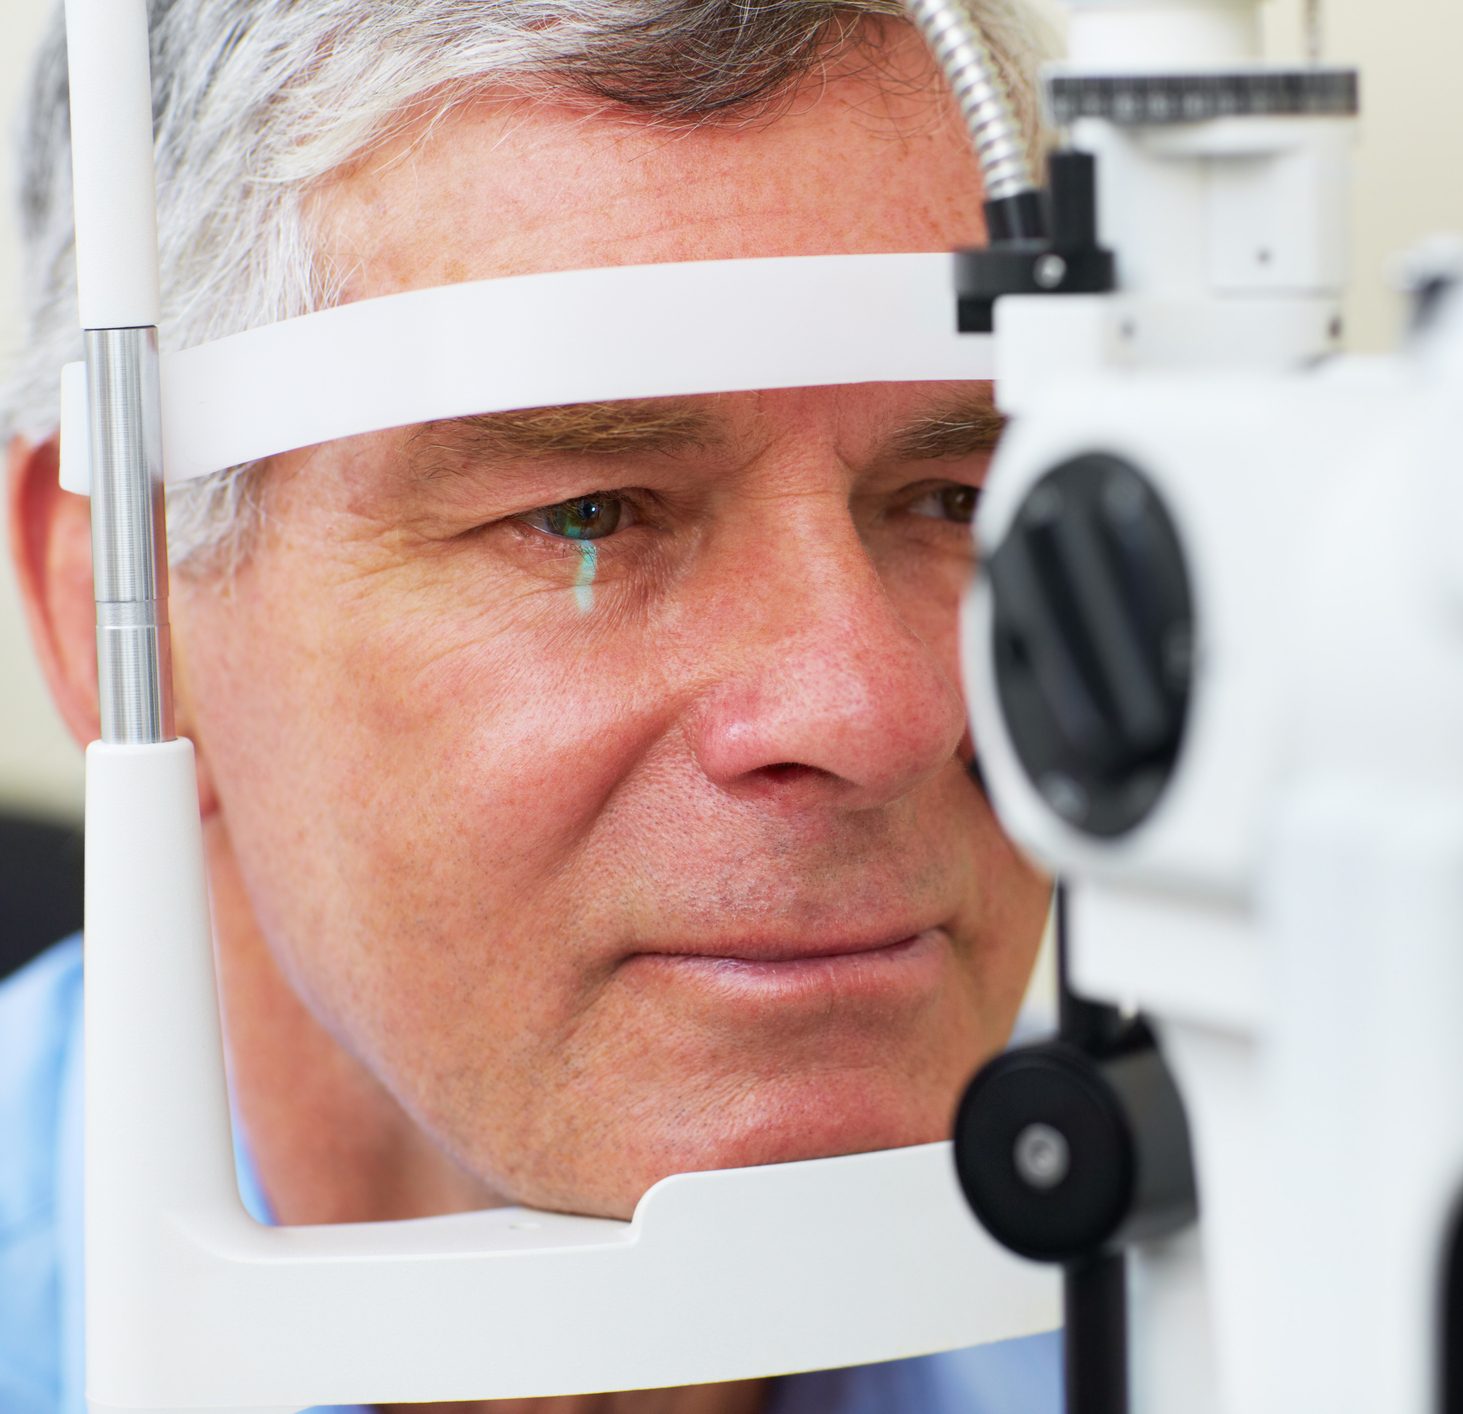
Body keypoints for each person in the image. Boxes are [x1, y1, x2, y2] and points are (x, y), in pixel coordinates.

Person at [0, 2, 1060, 1410]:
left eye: (952, 499)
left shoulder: (1285, 1309)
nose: (869, 708)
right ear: (114, 609)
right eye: (587, 513)